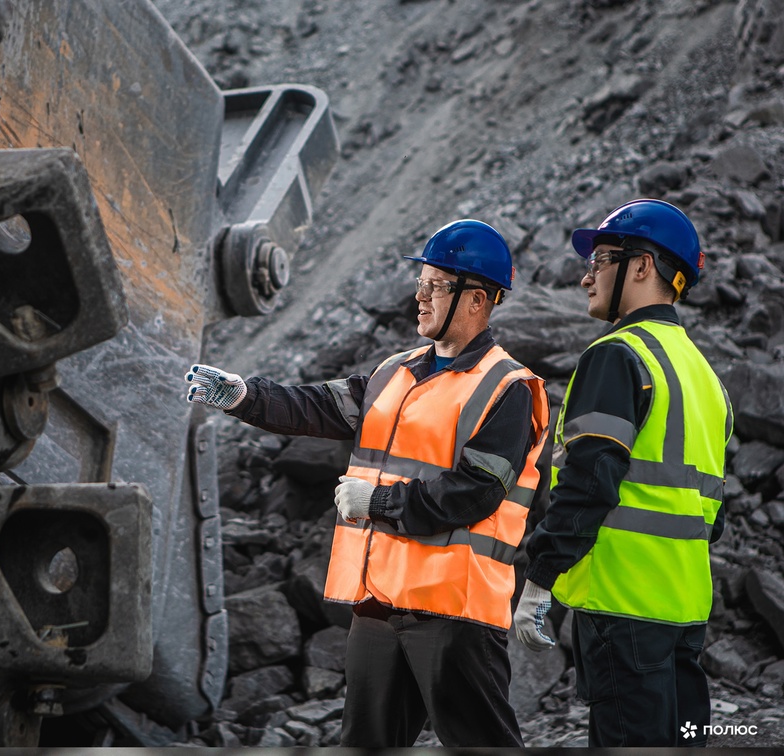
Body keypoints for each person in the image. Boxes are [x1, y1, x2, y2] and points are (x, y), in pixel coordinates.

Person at [185, 220, 550, 747]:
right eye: (420, 283)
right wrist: (244, 396)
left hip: (453, 611)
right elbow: (314, 406)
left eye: (436, 286)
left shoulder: (508, 387)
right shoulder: (393, 373)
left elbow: (474, 493)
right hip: (379, 605)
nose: (420, 298)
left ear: (478, 301)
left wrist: (376, 501)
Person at [514, 199, 733, 747]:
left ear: (641, 267)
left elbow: (591, 481)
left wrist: (540, 576)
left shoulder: (617, 355)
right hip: (684, 610)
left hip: (622, 607)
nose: (587, 274)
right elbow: (714, 511)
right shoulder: (702, 374)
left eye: (602, 258)